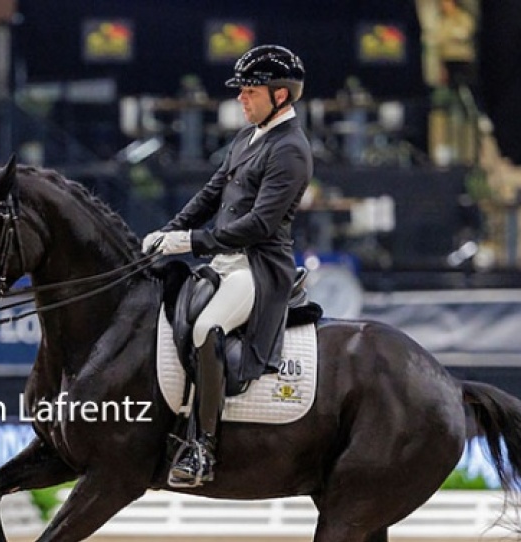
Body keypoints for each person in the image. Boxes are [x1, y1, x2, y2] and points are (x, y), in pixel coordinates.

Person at [142, 44, 312, 487]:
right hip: (224, 259)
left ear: (280, 96)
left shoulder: (291, 150)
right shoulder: (248, 137)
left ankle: (202, 447)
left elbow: (259, 224)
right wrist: (168, 232)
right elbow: (211, 194)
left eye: (250, 91)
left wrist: (190, 241)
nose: (240, 98)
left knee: (206, 328)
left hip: (257, 266)